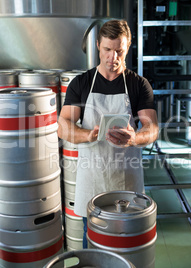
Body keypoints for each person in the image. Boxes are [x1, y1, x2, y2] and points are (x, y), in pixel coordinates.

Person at [58, 20, 158, 247]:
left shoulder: (138, 85)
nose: (113, 57)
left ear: (128, 47)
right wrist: (88, 135)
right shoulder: (81, 84)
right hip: (92, 179)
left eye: (119, 51)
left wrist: (135, 138)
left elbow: (152, 129)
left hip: (127, 181)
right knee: (94, 243)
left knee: (126, 245)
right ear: (98, 46)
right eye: (107, 50)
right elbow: (63, 126)